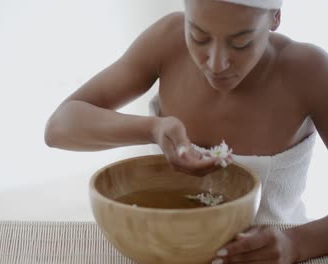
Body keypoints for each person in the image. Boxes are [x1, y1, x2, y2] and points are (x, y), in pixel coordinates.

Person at [44, 0, 328, 263]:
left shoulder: (308, 70)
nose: (216, 64)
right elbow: (59, 127)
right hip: (163, 250)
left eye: (241, 43)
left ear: (275, 17)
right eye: (199, 37)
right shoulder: (167, 40)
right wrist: (152, 128)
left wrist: (296, 243)